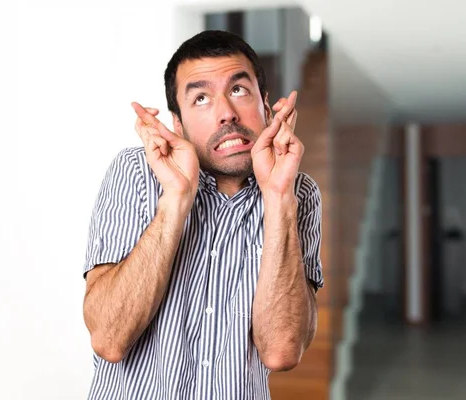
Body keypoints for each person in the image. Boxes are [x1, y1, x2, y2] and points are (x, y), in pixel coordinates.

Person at [82, 30, 323, 399]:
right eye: (201, 98)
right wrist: (177, 198)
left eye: (239, 90)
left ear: (266, 104)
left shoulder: (297, 193)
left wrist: (278, 197)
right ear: (177, 124)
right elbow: (109, 339)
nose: (226, 113)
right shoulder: (136, 171)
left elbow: (281, 351)